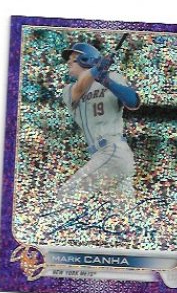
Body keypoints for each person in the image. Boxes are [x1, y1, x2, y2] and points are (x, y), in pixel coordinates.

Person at [59, 42, 140, 202]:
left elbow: (133, 102)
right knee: (121, 211)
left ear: (86, 60)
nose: (68, 62)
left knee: (66, 195)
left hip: (113, 150)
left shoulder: (112, 77)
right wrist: (96, 71)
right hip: (100, 155)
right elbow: (81, 88)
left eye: (73, 58)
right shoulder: (69, 90)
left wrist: (106, 80)